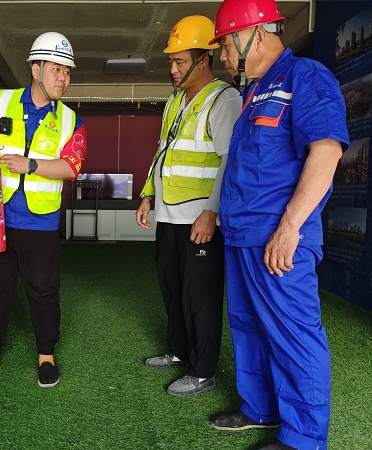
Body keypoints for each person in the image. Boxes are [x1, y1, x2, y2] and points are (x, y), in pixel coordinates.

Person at [207, 0, 349, 448]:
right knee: (248, 327)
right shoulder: (255, 92)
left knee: (293, 334)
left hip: (278, 237)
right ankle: (261, 409)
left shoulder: (305, 76)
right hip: (241, 236)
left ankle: (303, 438)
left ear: (255, 36)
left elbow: (326, 152)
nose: (223, 57)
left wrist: (289, 228)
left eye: (226, 45)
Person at [0, 32, 87, 388]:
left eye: (67, 72)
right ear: (35, 69)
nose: (63, 78)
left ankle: (46, 354)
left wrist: (32, 165)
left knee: (43, 290)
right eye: (56, 69)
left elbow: (71, 167)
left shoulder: (71, 121)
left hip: (40, 223)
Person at [136, 16, 242, 397]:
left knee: (200, 297)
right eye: (170, 61)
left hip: (200, 219)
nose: (173, 69)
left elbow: (229, 161)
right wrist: (148, 195)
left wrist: (212, 212)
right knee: (173, 289)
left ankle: (202, 371)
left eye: (180, 61)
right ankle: (180, 352)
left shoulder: (224, 99)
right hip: (169, 216)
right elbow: (162, 153)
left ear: (203, 60)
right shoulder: (174, 102)